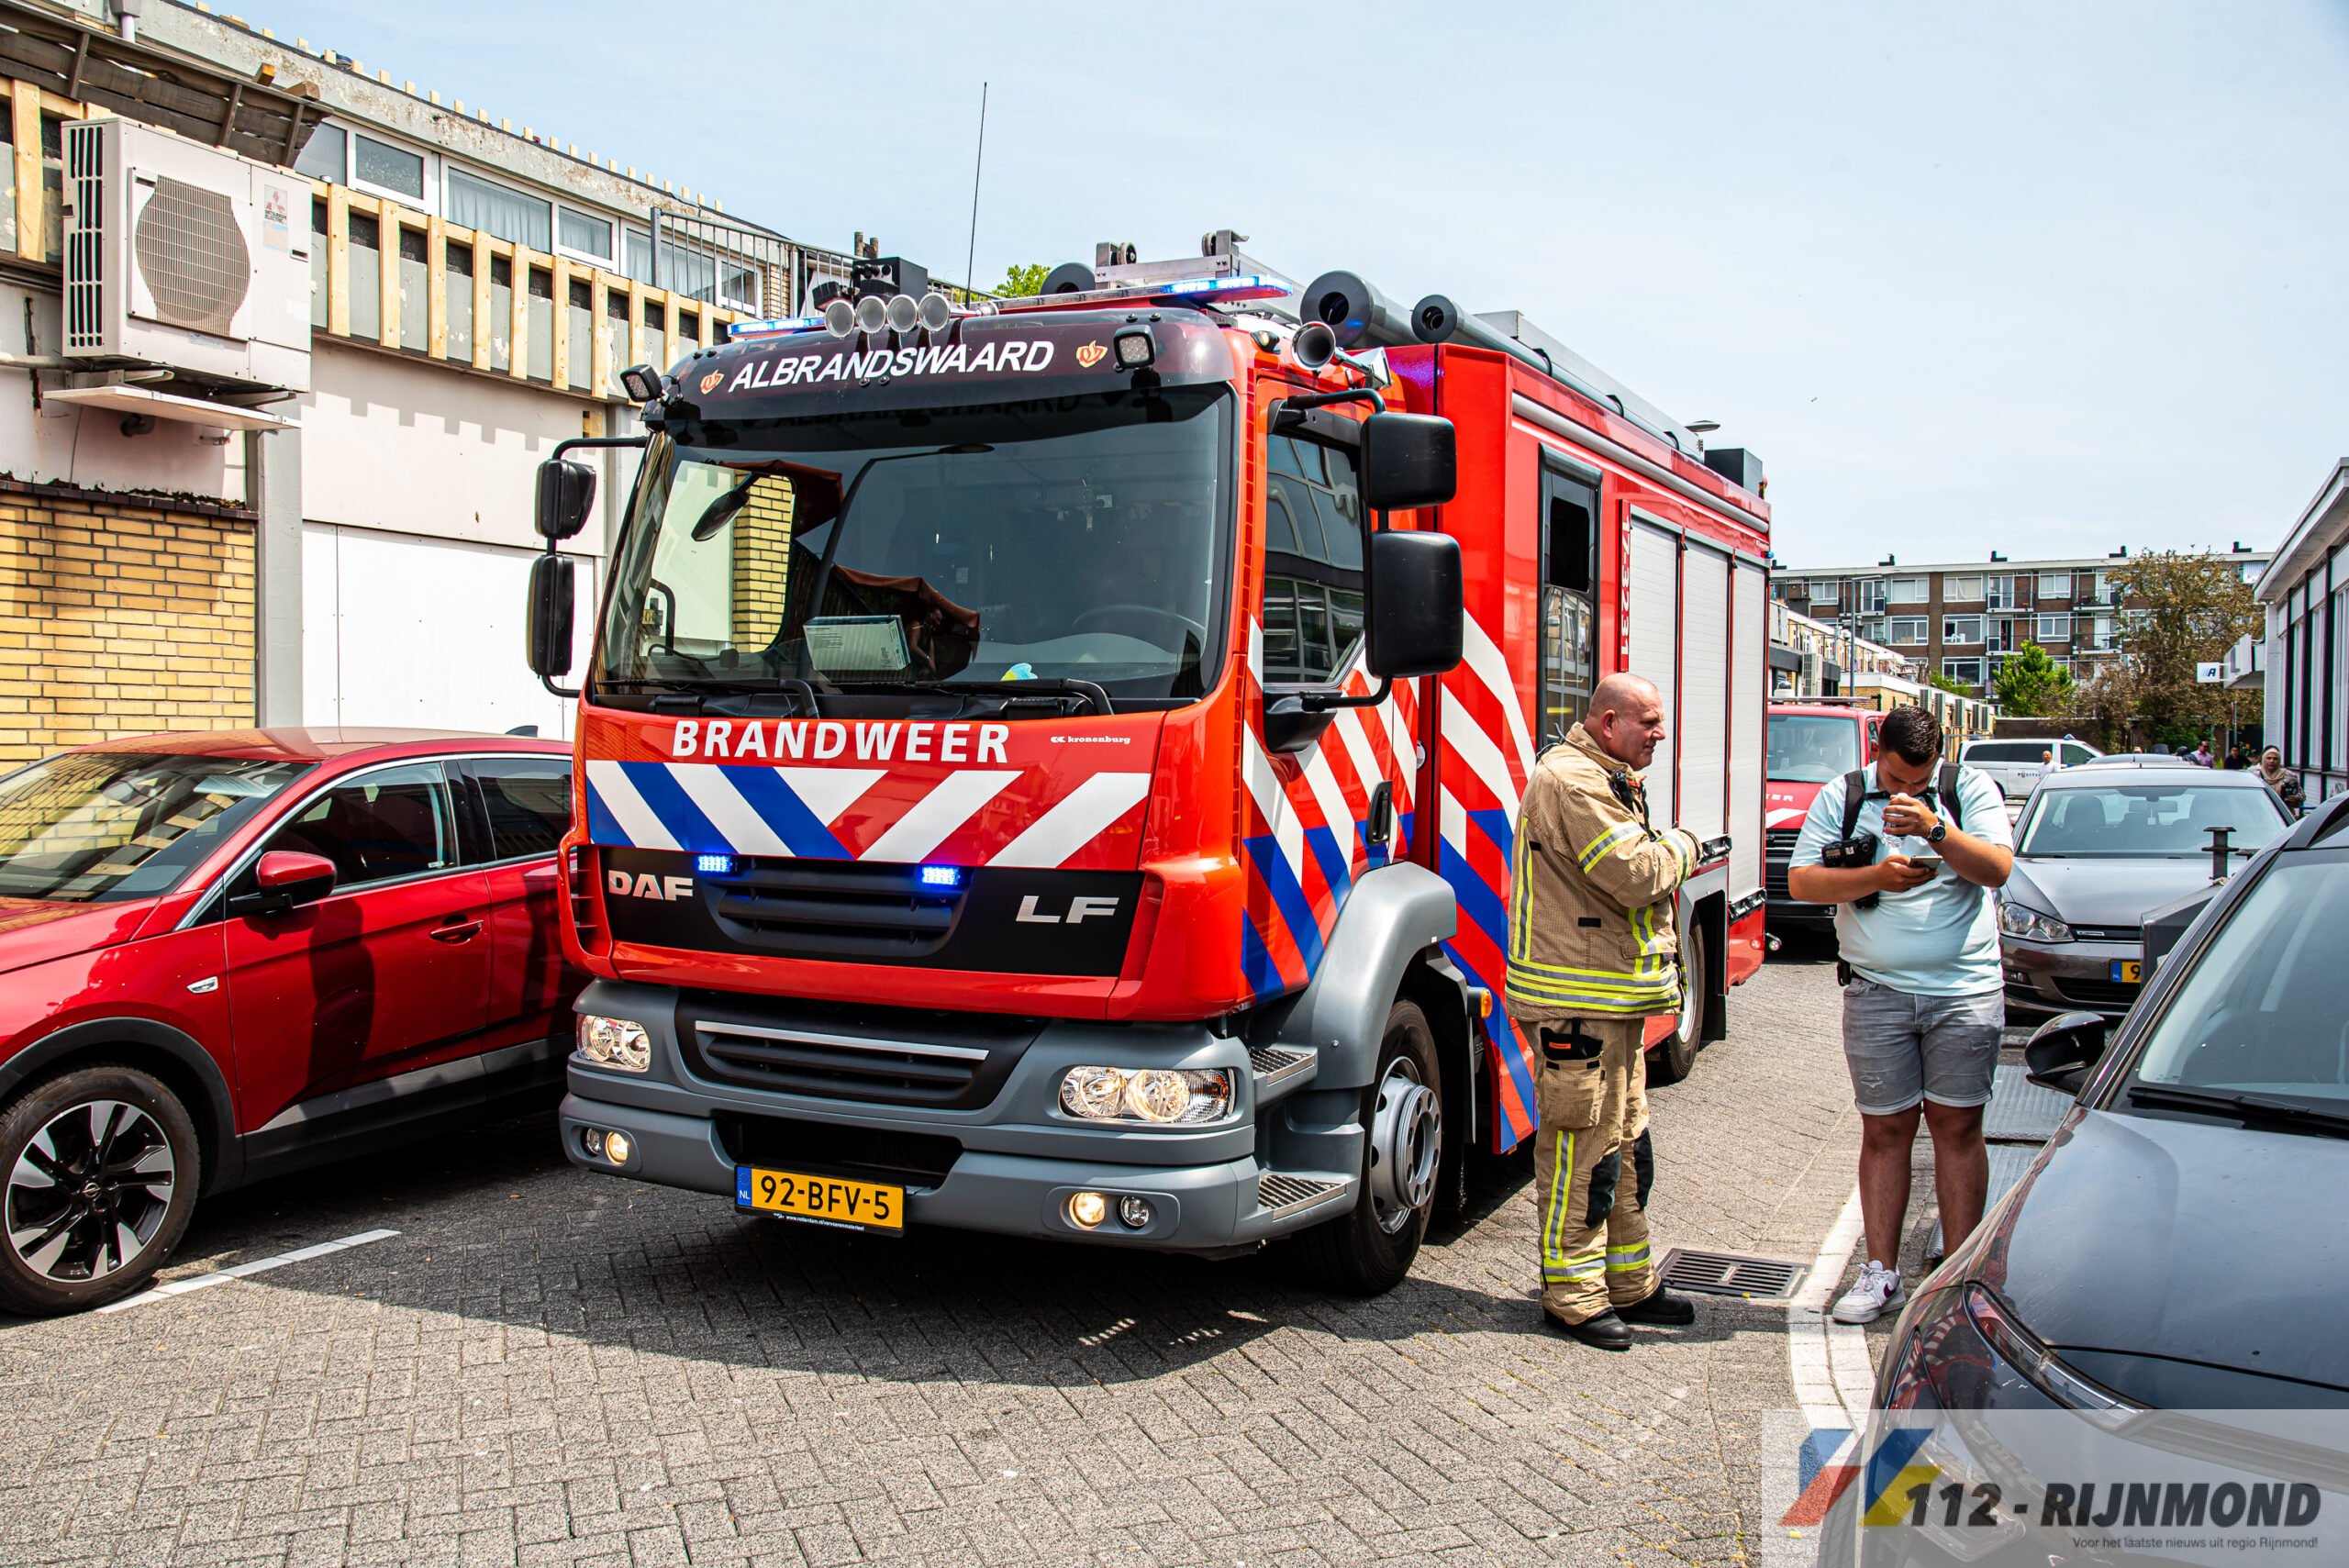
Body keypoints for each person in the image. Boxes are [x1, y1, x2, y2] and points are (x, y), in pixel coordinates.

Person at [1785, 704, 2015, 1324]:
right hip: (1876, 991)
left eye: (1921, 779)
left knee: (1957, 1128)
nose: (1907, 790)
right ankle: (1879, 1271)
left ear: (1939, 760)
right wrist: (1875, 877)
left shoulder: (1969, 789)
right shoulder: (1845, 794)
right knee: (1886, 1130)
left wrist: (1936, 829)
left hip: (1964, 991)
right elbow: (1802, 882)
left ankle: (1955, 1278)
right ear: (1876, 754)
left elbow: (1997, 869)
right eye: (1896, 779)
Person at [1506, 672, 1703, 1351]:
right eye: (1649, 721)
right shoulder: (1573, 781)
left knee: (1624, 1142)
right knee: (1581, 1152)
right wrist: (1687, 844)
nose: (1660, 734)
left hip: (1608, 1000)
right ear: (1609, 720)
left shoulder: (1603, 773)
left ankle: (1628, 1282)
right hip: (1576, 1005)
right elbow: (1636, 873)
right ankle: (1572, 1297)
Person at [2259, 746, 2305, 813]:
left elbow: (2302, 795)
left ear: (2279, 760)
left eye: (2275, 759)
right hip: (2261, 812)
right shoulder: (2254, 775)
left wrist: (2296, 798)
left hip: (2283, 813)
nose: (2272, 761)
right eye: (2269, 758)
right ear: (2263, 759)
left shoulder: (2289, 775)